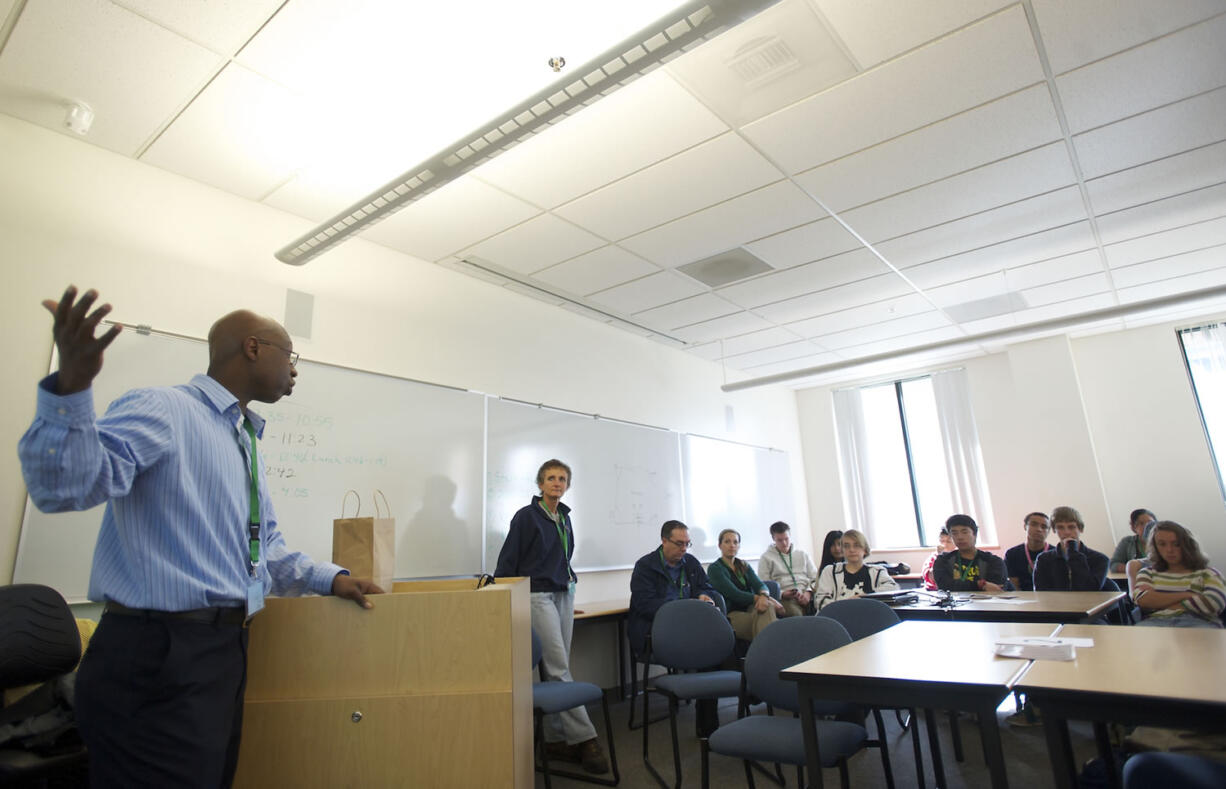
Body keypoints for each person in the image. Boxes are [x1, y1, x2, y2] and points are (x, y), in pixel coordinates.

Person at [18, 286, 381, 789]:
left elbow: (265, 548)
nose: (295, 369)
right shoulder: (163, 410)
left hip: (219, 651)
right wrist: (71, 389)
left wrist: (330, 579)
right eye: (290, 354)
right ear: (252, 347)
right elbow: (61, 488)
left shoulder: (244, 439)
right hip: (157, 654)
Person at [494, 459, 608, 774]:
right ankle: (586, 738)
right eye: (550, 478)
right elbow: (508, 561)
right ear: (540, 484)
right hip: (536, 596)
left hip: (563, 594)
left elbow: (563, 557)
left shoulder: (564, 517)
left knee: (559, 667)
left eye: (562, 479)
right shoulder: (527, 517)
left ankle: (556, 739)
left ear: (567, 485)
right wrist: (503, 600)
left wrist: (568, 589)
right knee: (558, 668)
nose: (556, 483)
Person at [628, 520, 718, 658]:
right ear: (664, 541)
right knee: (700, 634)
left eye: (687, 544)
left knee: (716, 627)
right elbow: (645, 604)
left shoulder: (691, 562)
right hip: (659, 625)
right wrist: (682, 608)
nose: (684, 548)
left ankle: (717, 673)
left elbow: (707, 587)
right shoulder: (645, 566)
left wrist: (703, 595)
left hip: (690, 620)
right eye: (679, 543)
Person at [1133, 521, 1225, 628]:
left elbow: (1214, 602)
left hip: (1200, 621)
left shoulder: (1208, 574)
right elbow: (1143, 600)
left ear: (1187, 545)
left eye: (1176, 544)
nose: (1169, 550)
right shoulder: (1147, 573)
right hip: (1157, 622)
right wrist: (1188, 595)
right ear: (1155, 546)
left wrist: (1161, 603)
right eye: (1162, 544)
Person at [707, 528, 783, 642]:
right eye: (727, 542)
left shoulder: (743, 565)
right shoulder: (715, 569)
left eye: (735, 542)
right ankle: (772, 649)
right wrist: (762, 598)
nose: (732, 545)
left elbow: (760, 585)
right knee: (771, 619)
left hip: (752, 608)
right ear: (720, 545)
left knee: (767, 611)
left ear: (739, 546)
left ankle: (766, 652)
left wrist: (765, 596)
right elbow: (734, 594)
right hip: (732, 614)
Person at [813, 529, 899, 610]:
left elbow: (893, 589)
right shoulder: (830, 571)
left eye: (856, 545)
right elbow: (821, 601)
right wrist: (847, 604)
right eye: (846, 546)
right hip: (838, 618)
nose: (851, 550)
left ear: (865, 550)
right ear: (842, 550)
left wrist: (865, 597)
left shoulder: (878, 571)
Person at [1032, 506, 1109, 592]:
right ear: (1054, 530)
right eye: (1060, 527)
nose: (1066, 532)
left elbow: (1090, 589)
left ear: (1081, 529)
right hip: (1056, 604)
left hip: (1089, 604)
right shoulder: (1044, 559)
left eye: (1071, 527)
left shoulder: (1099, 559)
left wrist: (1073, 553)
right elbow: (1041, 593)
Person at [757, 521, 819, 617]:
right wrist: (782, 594)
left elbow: (815, 578)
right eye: (780, 540)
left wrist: (808, 592)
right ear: (773, 539)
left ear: (790, 536)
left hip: (807, 594)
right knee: (795, 614)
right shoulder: (766, 558)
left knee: (825, 608)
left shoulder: (802, 554)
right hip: (785, 598)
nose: (784, 543)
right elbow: (764, 585)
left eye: (786, 539)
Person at [933, 514, 1008, 592]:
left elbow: (995, 589)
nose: (960, 537)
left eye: (964, 532)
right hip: (956, 603)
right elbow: (945, 586)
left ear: (975, 534)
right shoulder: (943, 561)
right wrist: (979, 584)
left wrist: (961, 586)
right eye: (954, 533)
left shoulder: (993, 561)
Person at [1004, 512, 1053, 592]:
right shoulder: (1012, 554)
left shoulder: (1056, 553)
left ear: (1049, 531)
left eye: (1044, 527)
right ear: (1025, 526)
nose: (1039, 529)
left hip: (1050, 598)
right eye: (1034, 524)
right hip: (1022, 599)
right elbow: (1014, 586)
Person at [1110, 508, 1157, 573]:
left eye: (1150, 523)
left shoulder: (1163, 542)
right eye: (1141, 523)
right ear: (1133, 527)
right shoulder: (1127, 542)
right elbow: (1113, 565)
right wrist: (1133, 568)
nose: (1146, 526)